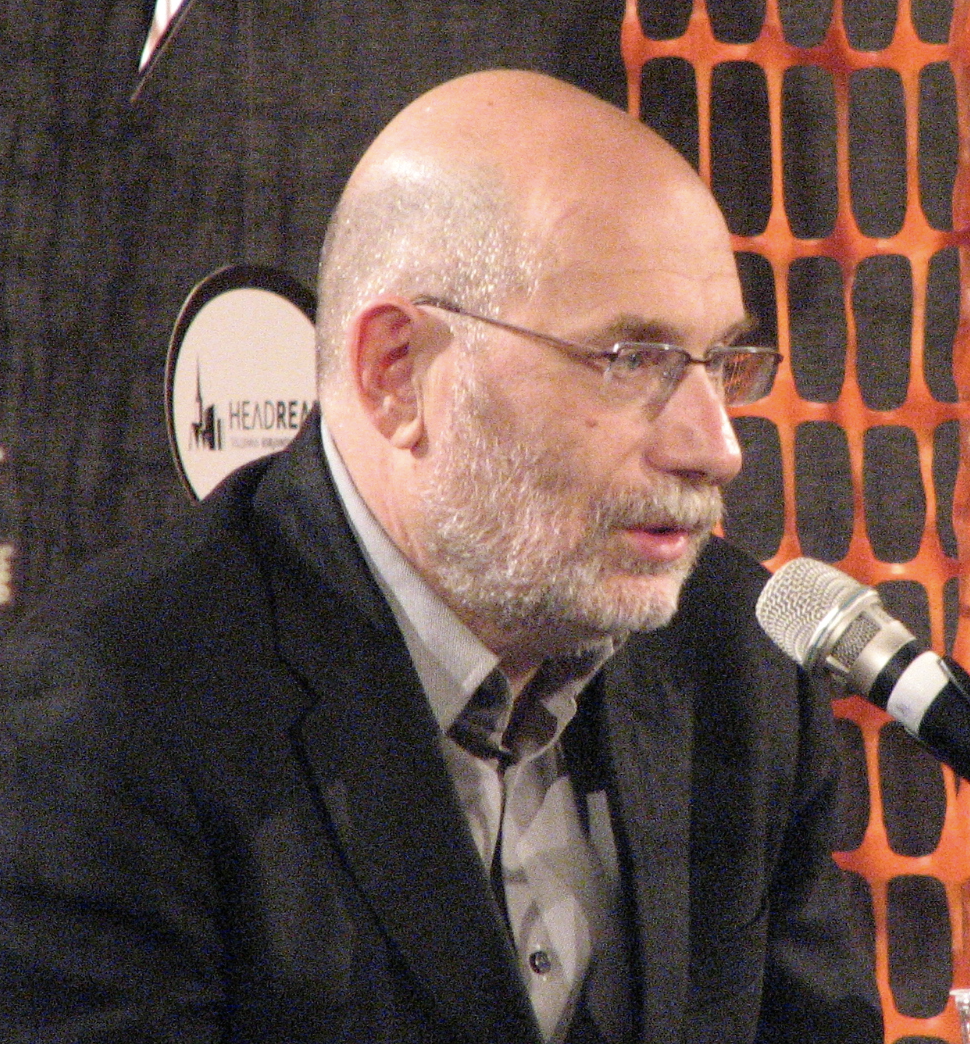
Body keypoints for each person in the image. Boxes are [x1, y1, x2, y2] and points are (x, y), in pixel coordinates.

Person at [0, 70, 881, 1043]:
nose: (717, 446)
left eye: (723, 364)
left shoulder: (737, 660)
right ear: (398, 375)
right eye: (633, 360)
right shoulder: (108, 724)